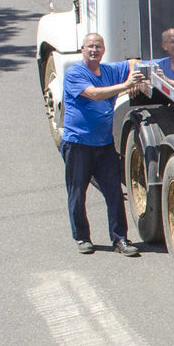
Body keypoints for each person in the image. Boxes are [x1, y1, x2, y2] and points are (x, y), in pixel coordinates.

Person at [61, 31, 146, 256]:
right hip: (77, 145)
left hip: (104, 145)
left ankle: (120, 239)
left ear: (103, 50)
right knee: (77, 193)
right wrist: (127, 85)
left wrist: (138, 71)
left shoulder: (109, 70)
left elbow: (132, 63)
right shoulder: (74, 74)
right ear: (82, 49)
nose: (94, 50)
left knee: (114, 193)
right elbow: (95, 94)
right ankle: (81, 237)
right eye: (89, 46)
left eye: (98, 46)